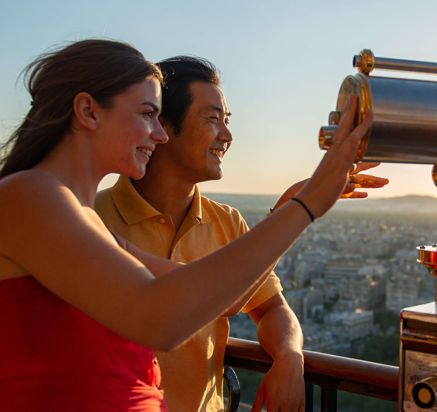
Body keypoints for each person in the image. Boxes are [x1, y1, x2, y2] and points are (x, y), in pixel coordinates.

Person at [0, 39, 373, 411]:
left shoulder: (80, 217)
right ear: (88, 111)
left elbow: (216, 298)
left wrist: (294, 206)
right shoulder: (29, 196)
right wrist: (307, 204)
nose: (158, 134)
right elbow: (160, 319)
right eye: (147, 113)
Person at [94, 56, 387, 412]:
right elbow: (208, 297)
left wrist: (290, 355)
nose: (228, 136)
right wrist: (299, 206)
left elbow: (270, 308)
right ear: (163, 126)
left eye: (227, 121)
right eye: (213, 119)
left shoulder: (227, 222)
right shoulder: (91, 219)